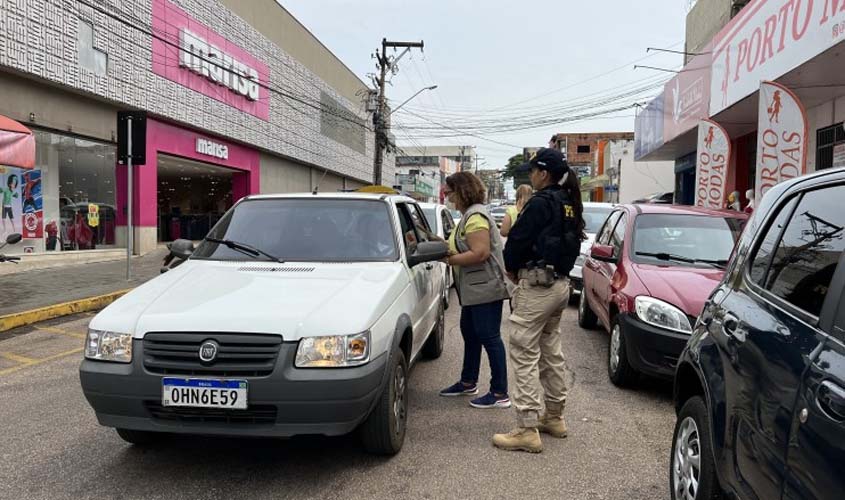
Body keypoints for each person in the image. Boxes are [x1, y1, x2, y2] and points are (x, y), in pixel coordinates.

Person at [493, 148, 584, 453]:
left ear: (543, 174)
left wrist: (511, 267)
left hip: (537, 287)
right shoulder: (569, 201)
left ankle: (526, 428)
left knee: (524, 353)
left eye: (533, 171)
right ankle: (554, 417)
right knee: (550, 351)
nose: (530, 176)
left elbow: (517, 241)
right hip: (559, 286)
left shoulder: (541, 202)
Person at [439, 171, 512, 409]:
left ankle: (499, 392)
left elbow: (480, 253)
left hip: (484, 289)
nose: (448, 198)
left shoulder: (475, 216)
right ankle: (468, 381)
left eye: (450, 193)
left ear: (462, 192)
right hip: (473, 290)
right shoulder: (468, 216)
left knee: (489, 337)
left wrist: (449, 260)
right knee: (470, 333)